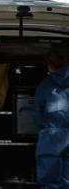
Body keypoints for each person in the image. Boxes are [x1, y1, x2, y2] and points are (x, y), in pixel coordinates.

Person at [34, 46, 69, 188]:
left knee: (49, 179)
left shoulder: (45, 85)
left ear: (49, 65)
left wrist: (44, 129)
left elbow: (37, 113)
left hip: (51, 135)